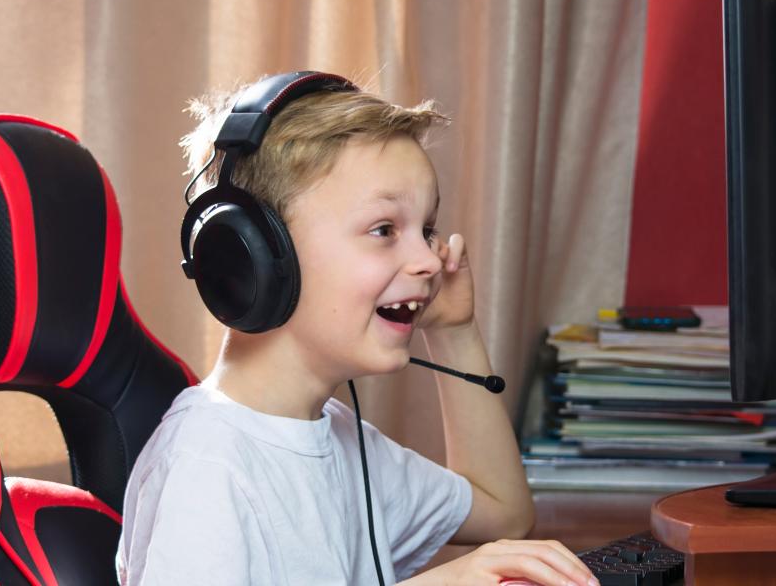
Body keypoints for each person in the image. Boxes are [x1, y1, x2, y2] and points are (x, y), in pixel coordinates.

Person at [115, 72, 598, 586]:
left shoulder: (336, 437)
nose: (429, 260)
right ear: (256, 256)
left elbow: (504, 513)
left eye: (427, 230)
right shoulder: (206, 466)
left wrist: (454, 330)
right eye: (384, 229)